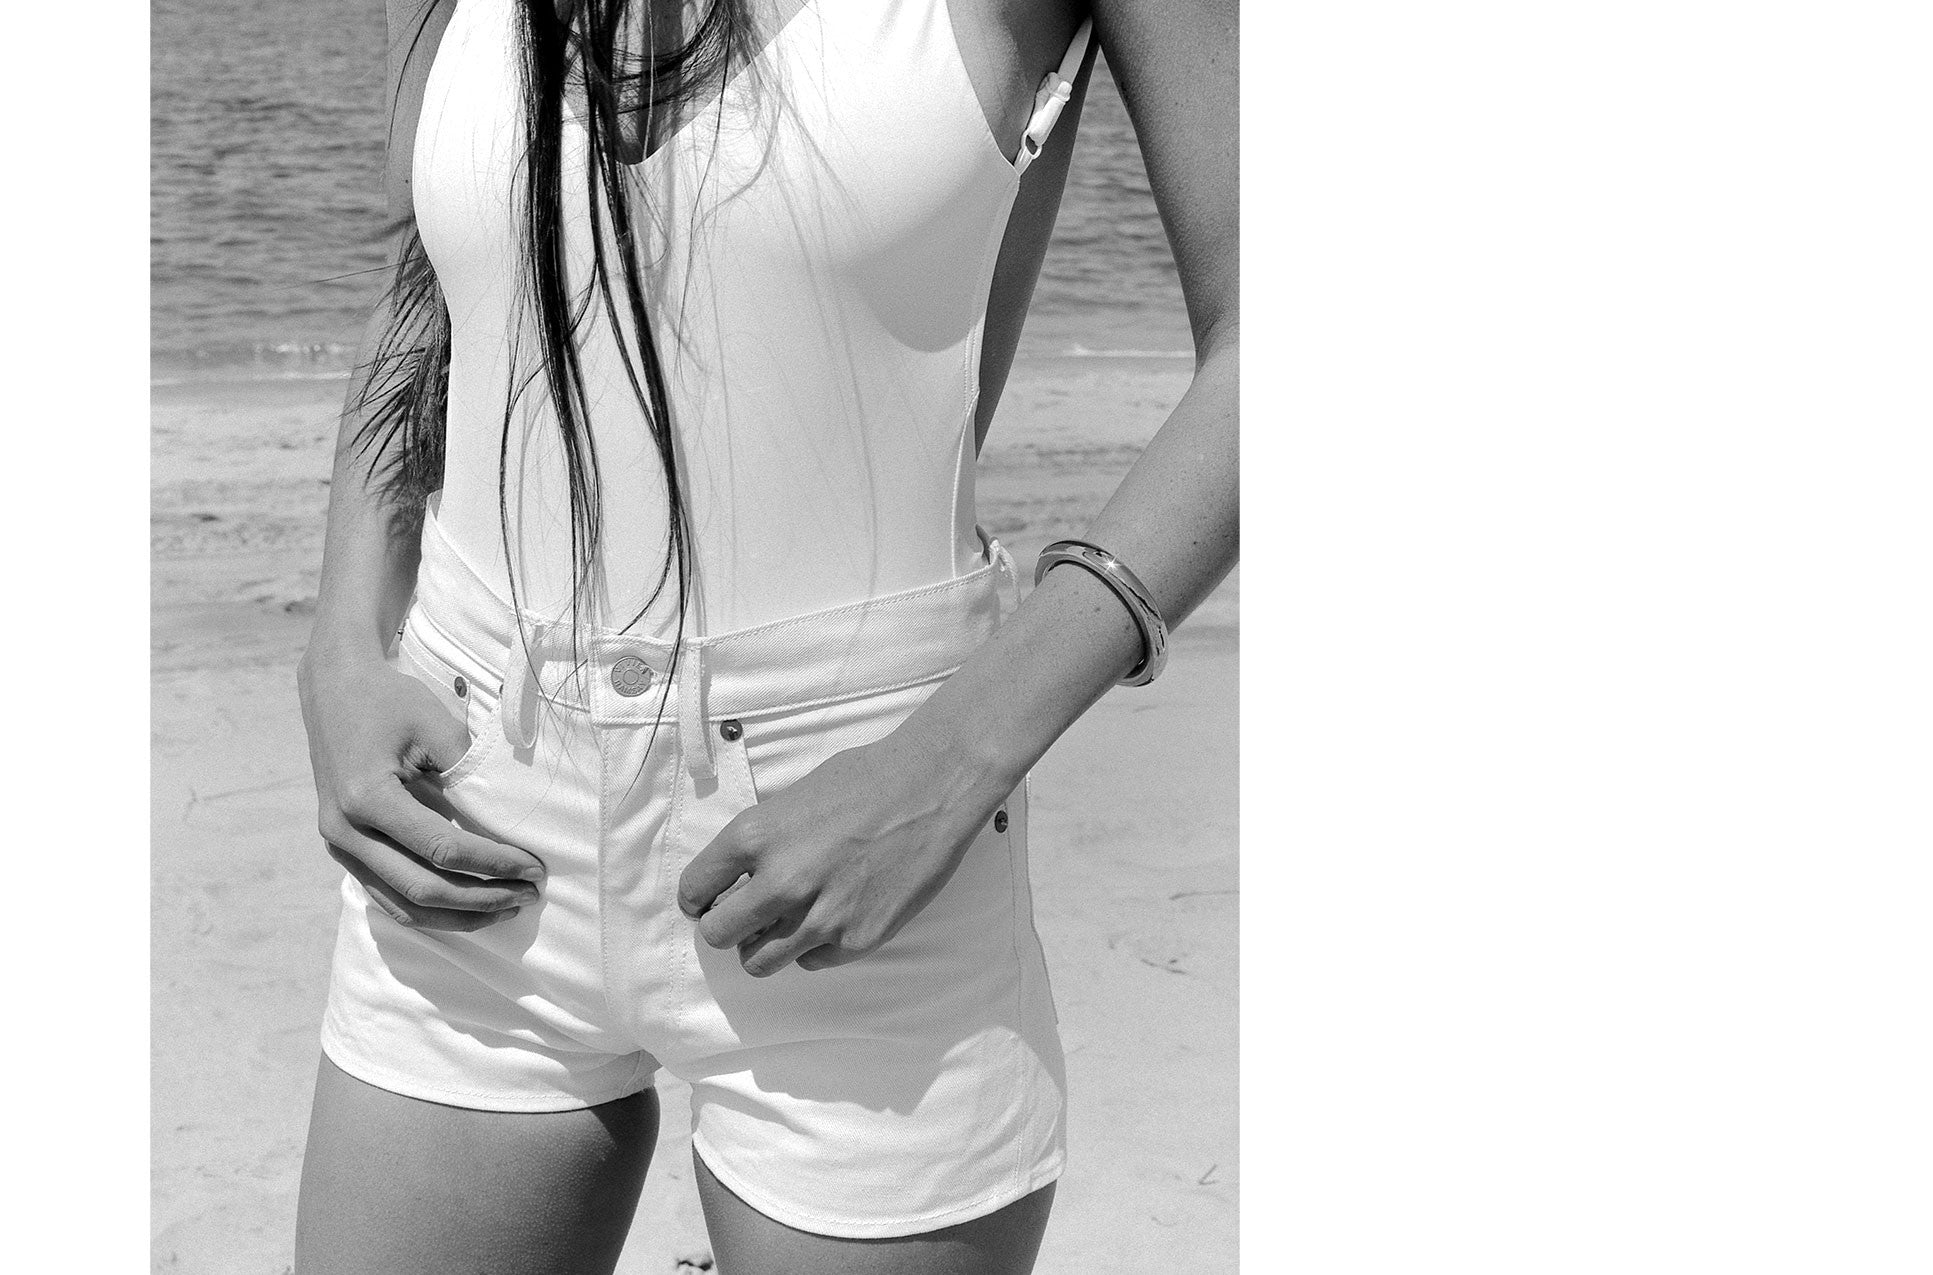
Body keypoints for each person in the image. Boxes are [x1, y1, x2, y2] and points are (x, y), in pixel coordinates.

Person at [291, 0, 1235, 1269]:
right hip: (468, 812)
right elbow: (433, 266)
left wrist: (950, 765)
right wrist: (345, 641)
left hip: (861, 837)